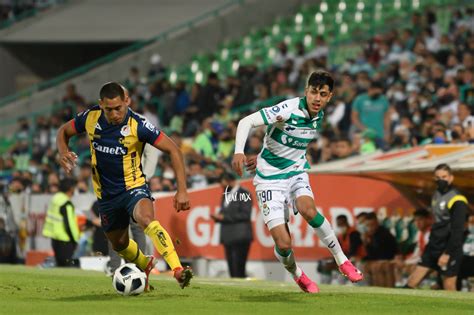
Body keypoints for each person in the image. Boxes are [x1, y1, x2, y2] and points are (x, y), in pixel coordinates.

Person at [232, 70, 363, 293]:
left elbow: (288, 142)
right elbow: (246, 122)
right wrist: (239, 152)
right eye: (313, 92)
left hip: (296, 172)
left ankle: (342, 260)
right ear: (306, 91)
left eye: (323, 94)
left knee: (308, 210)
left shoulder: (319, 115)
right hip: (269, 180)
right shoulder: (288, 109)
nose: (317, 98)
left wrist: (266, 153)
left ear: (329, 97)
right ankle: (298, 275)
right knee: (283, 244)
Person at [56, 81, 192, 290]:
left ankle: (177, 269)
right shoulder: (90, 118)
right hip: (106, 196)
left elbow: (174, 150)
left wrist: (182, 190)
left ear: (126, 101)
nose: (114, 114)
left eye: (118, 108)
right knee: (118, 244)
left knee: (146, 219)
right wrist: (63, 151)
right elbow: (63, 131)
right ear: (101, 104)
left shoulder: (139, 125)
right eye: (109, 109)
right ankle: (144, 264)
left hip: (133, 188)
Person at [407, 164, 469, 291]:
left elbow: (458, 230)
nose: (441, 180)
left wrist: (447, 253)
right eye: (438, 177)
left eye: (444, 177)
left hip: (449, 247)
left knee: (449, 285)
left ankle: (456, 310)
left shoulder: (457, 199)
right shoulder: (435, 194)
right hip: (434, 244)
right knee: (412, 281)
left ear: (451, 178)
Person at [211, 172, 253, 278]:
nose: (221, 186)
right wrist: (218, 217)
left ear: (230, 181)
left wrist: (224, 217)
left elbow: (245, 214)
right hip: (228, 236)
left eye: (223, 183)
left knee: (239, 267)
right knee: (231, 268)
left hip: (240, 235)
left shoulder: (244, 193)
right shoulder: (225, 194)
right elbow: (224, 212)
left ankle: (242, 290)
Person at [42, 178, 80, 267]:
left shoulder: (55, 198)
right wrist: (74, 240)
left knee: (59, 267)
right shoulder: (66, 203)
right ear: (71, 189)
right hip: (65, 240)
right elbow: (69, 224)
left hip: (55, 238)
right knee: (66, 267)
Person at [362, 212, 398, 287]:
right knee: (365, 266)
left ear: (377, 223)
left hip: (389, 258)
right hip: (377, 259)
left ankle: (386, 289)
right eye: (368, 226)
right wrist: (366, 244)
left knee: (377, 266)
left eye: (372, 225)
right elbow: (370, 254)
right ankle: (370, 288)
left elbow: (388, 251)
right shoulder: (368, 235)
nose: (370, 228)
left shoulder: (384, 233)